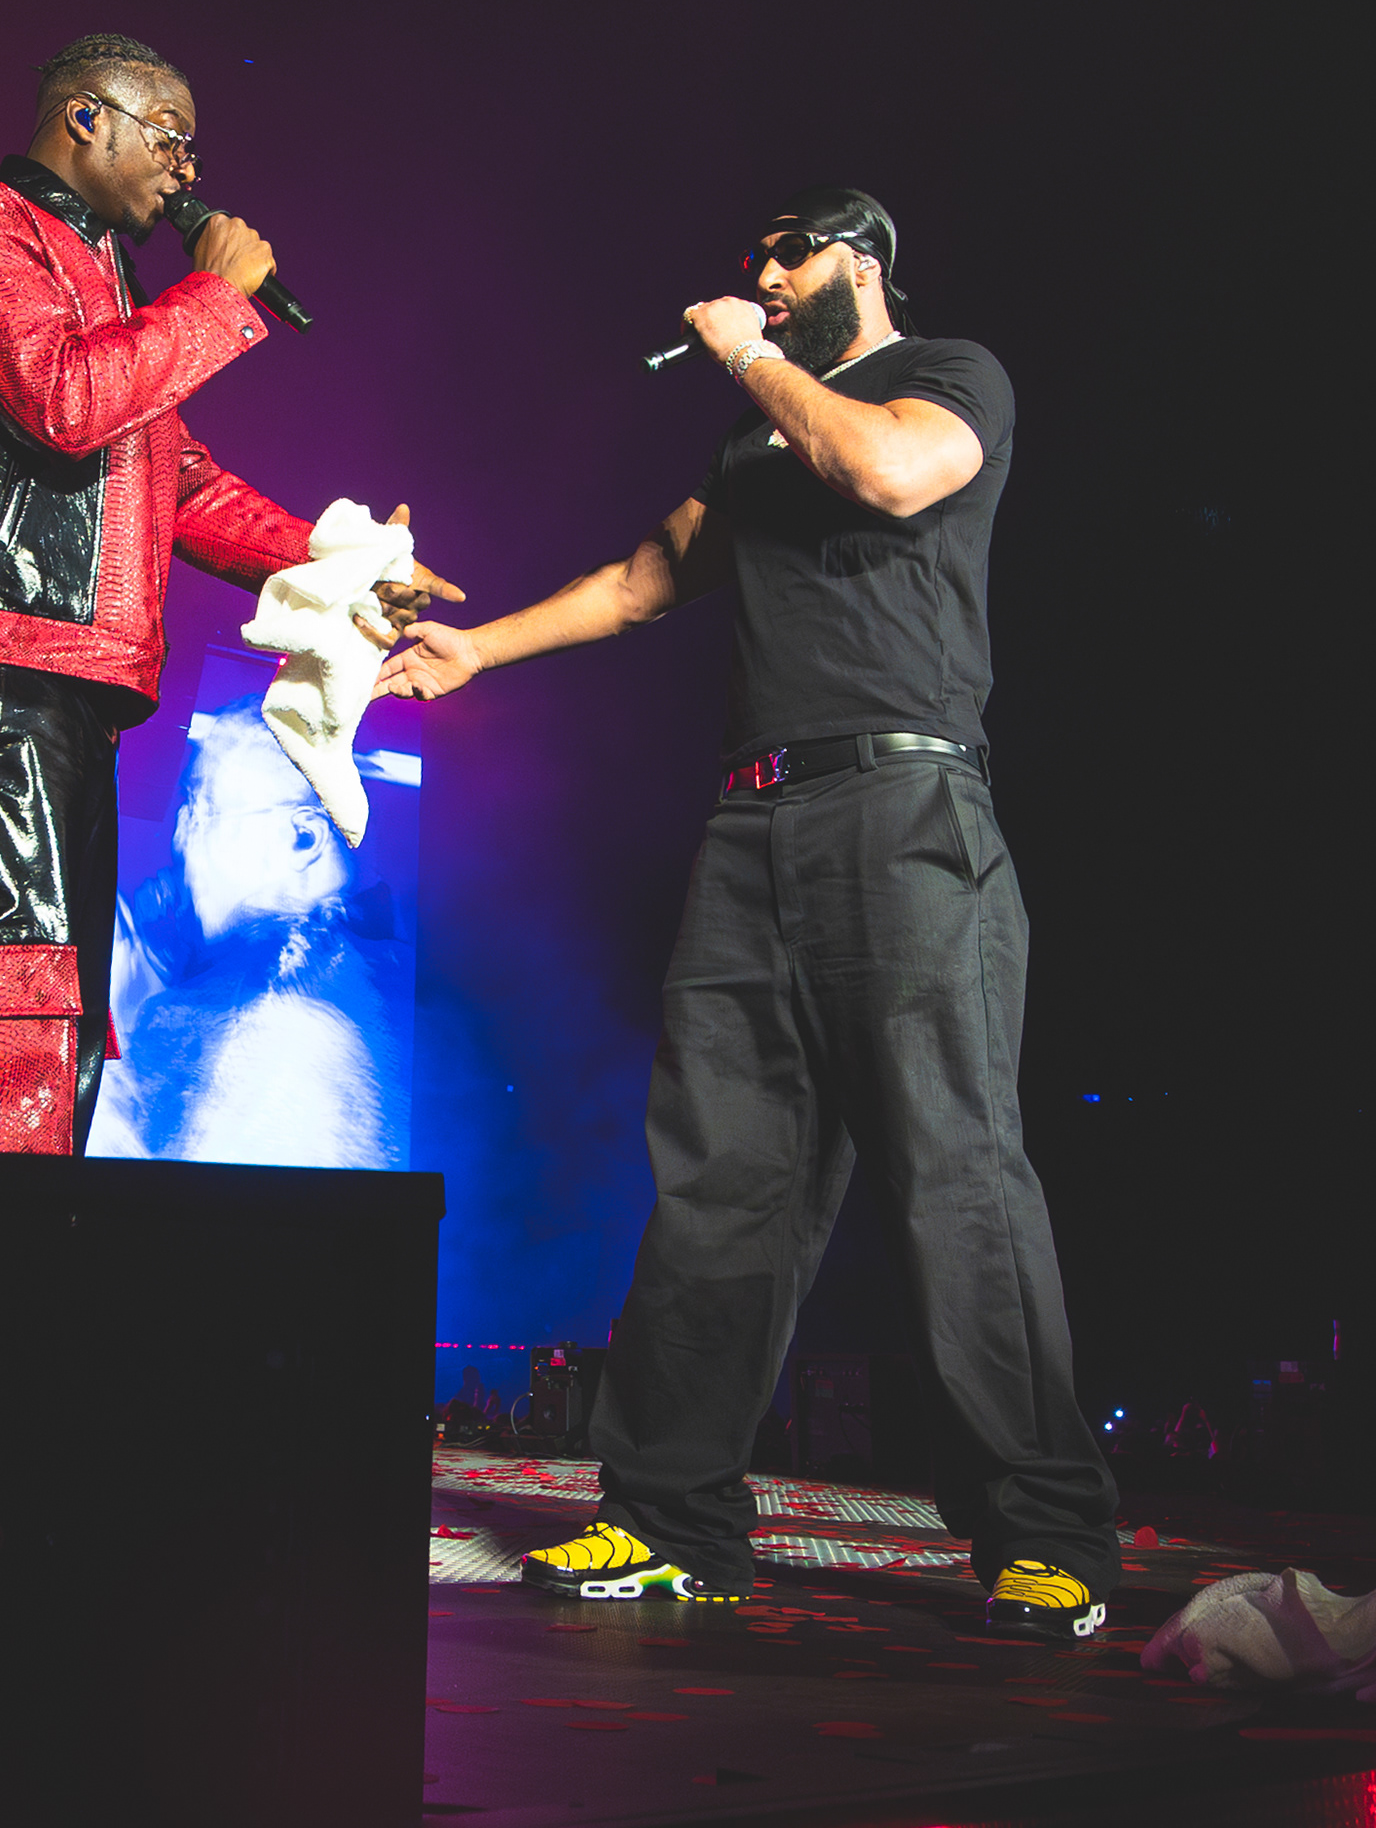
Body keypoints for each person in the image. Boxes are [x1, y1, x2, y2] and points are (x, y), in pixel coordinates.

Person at [376, 187, 1120, 1639]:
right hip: (753, 821)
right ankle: (670, 1519)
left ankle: (1049, 1534)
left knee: (951, 1167)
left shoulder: (946, 378)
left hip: (906, 813)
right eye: (754, 273)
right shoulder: (757, 430)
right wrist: (477, 653)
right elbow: (648, 578)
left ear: (860, 260)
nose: (762, 281)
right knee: (721, 1177)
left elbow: (893, 477)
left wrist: (751, 360)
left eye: (784, 259)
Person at [0, 32, 457, 1153]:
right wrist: (217, 296)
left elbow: (177, 480)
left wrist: (336, 561)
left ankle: (5, 1294)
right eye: (170, 140)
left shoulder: (109, 280)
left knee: (64, 1020)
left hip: (63, 675)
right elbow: (64, 397)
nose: (186, 174)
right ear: (85, 118)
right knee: (0, 1011)